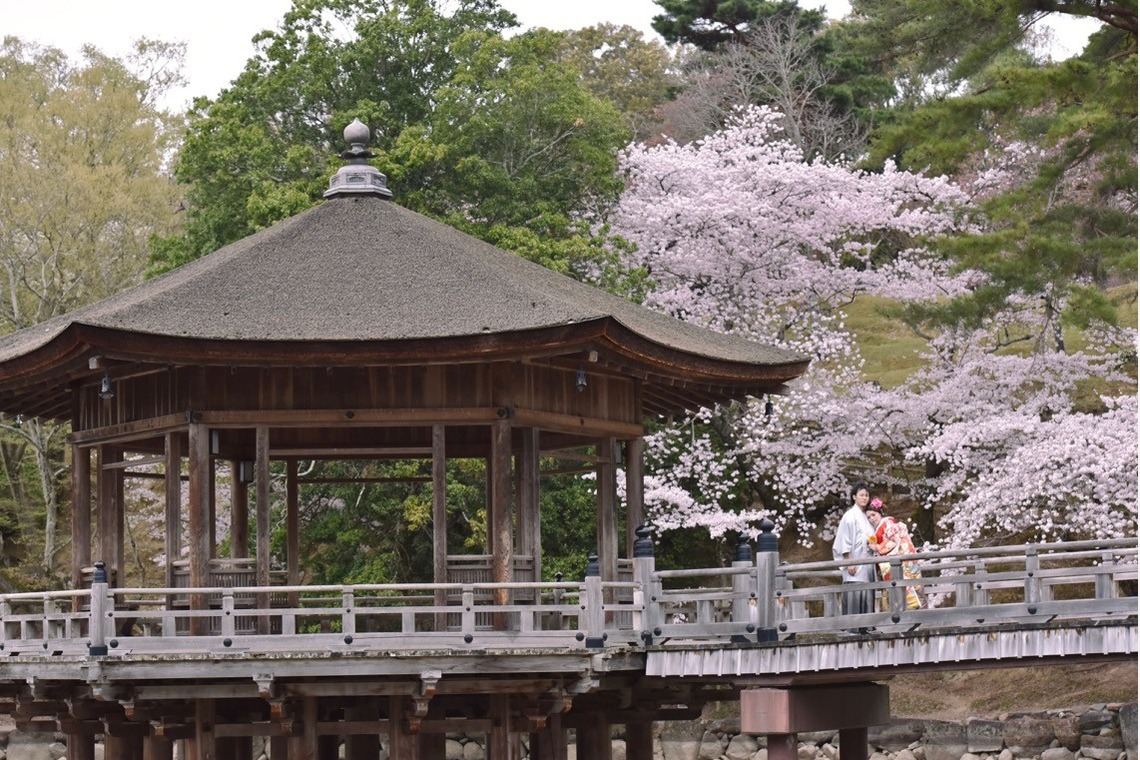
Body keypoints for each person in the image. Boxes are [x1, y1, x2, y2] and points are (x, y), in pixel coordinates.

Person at [866, 498, 925, 610]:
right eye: (868, 517)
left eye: (873, 515)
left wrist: (878, 547)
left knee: (904, 590)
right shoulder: (883, 526)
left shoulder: (888, 524)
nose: (871, 519)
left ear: (880, 512)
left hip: (899, 563)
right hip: (902, 562)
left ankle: (909, 607)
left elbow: (894, 541)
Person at [832, 482, 877, 624]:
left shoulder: (866, 516)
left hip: (867, 559)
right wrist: (849, 561)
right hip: (854, 562)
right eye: (861, 495)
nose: (864, 498)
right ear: (854, 497)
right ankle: (854, 626)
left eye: (867, 495)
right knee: (855, 592)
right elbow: (844, 540)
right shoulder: (849, 516)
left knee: (868, 592)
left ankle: (867, 625)